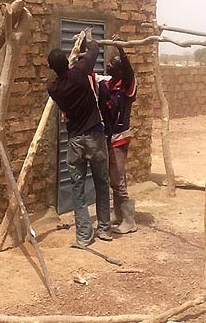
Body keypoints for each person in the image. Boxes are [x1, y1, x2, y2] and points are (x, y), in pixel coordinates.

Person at [47, 36, 112, 247]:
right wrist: (87, 40)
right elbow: (93, 50)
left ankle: (84, 237)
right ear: (68, 61)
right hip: (95, 136)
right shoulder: (79, 73)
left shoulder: (54, 89)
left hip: (75, 142)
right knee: (102, 183)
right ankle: (104, 230)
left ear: (51, 68)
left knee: (77, 188)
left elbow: (62, 78)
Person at [98, 40, 138, 234]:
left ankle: (130, 221)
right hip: (108, 136)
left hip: (120, 138)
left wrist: (121, 50)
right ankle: (118, 214)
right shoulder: (108, 84)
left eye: (112, 64)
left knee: (118, 180)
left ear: (120, 71)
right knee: (114, 177)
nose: (108, 65)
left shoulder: (127, 88)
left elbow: (129, 72)